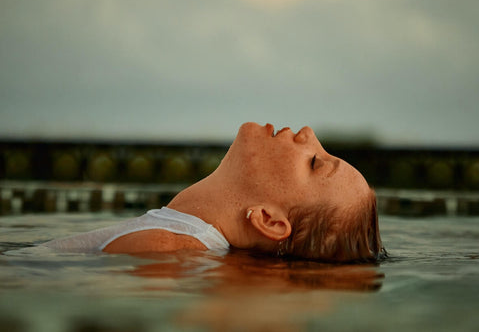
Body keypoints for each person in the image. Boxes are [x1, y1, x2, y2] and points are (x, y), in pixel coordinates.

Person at [44, 122, 385, 262]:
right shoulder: (175, 238)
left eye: (314, 163)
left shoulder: (166, 249)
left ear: (267, 219)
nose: (308, 133)